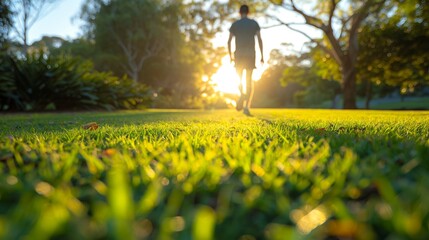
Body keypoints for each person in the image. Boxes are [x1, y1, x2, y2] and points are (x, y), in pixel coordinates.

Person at [228, 4, 264, 116]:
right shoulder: (254, 23)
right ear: (248, 12)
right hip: (250, 55)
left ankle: (241, 94)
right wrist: (262, 55)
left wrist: (230, 56)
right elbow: (259, 39)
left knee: (239, 79)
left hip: (238, 55)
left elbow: (229, 41)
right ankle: (246, 107)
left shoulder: (235, 24)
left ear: (239, 12)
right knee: (249, 81)